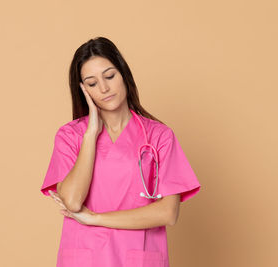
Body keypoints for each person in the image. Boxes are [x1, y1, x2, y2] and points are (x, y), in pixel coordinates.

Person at [40, 36, 201, 267]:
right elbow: (73, 202)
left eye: (109, 76)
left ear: (123, 73)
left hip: (139, 256)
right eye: (92, 83)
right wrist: (90, 135)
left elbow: (167, 213)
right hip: (85, 257)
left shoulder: (159, 136)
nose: (104, 88)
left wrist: (95, 218)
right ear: (83, 90)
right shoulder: (71, 136)